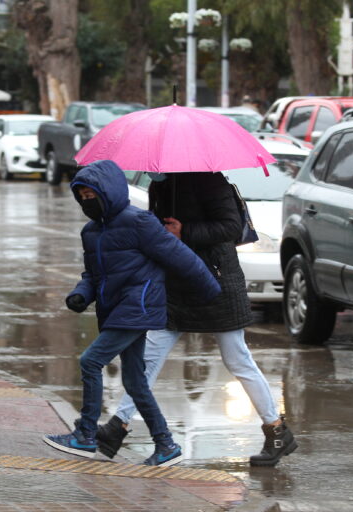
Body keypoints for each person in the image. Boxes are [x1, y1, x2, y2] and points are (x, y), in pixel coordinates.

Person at [95, 171, 298, 467]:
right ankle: (118, 426)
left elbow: (230, 227)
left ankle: (277, 431)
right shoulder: (162, 185)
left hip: (215, 282)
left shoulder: (211, 182)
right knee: (149, 356)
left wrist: (184, 231)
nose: (153, 172)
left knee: (238, 359)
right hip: (177, 284)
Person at [43, 160, 221, 467]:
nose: (87, 201)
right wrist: (80, 294)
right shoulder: (91, 232)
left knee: (90, 361)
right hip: (116, 310)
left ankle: (85, 434)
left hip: (138, 307)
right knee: (135, 381)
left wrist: (211, 291)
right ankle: (166, 445)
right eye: (82, 197)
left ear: (108, 192)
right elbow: (93, 275)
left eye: (92, 195)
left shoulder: (139, 222)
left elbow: (180, 257)